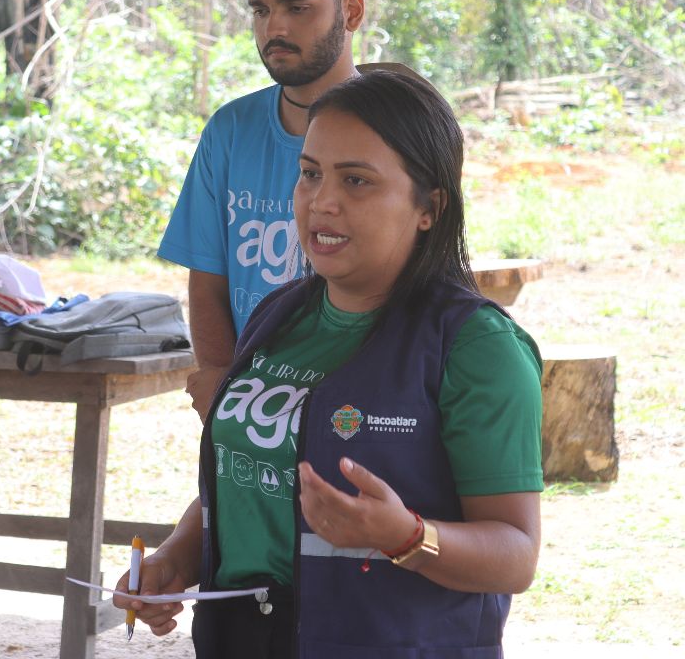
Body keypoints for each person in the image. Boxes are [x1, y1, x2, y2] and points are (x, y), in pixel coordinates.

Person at [117, 71, 543, 657]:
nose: (323, 201)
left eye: (357, 181)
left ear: (429, 207)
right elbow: (251, 473)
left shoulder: (476, 346)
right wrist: (174, 558)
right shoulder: (277, 316)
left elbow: (516, 555)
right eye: (310, 173)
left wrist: (409, 538)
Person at [157, 0, 370, 419]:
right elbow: (207, 282)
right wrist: (221, 391)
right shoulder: (228, 133)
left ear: (351, 12)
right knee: (206, 508)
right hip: (247, 407)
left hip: (357, 410)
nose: (273, 28)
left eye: (297, 8)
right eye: (260, 10)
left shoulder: (394, 134)